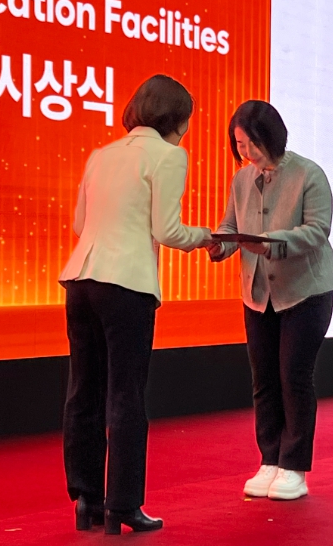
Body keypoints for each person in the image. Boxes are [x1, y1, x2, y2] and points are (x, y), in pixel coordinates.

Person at [59, 75, 211, 533]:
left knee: (84, 391)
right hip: (126, 284)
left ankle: (86, 499)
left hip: (80, 278)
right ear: (177, 118)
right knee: (126, 394)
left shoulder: (101, 154)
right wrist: (205, 237)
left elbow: (79, 223)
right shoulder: (169, 155)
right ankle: (122, 505)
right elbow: (168, 231)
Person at [207, 100, 333, 500]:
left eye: (251, 142)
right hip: (258, 294)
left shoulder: (308, 174)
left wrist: (271, 243)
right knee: (263, 379)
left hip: (305, 291)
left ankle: (294, 465)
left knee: (293, 376)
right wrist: (220, 245)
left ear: (273, 136)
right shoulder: (241, 179)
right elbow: (232, 225)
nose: (246, 152)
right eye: (239, 145)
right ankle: (269, 459)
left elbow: (317, 231)